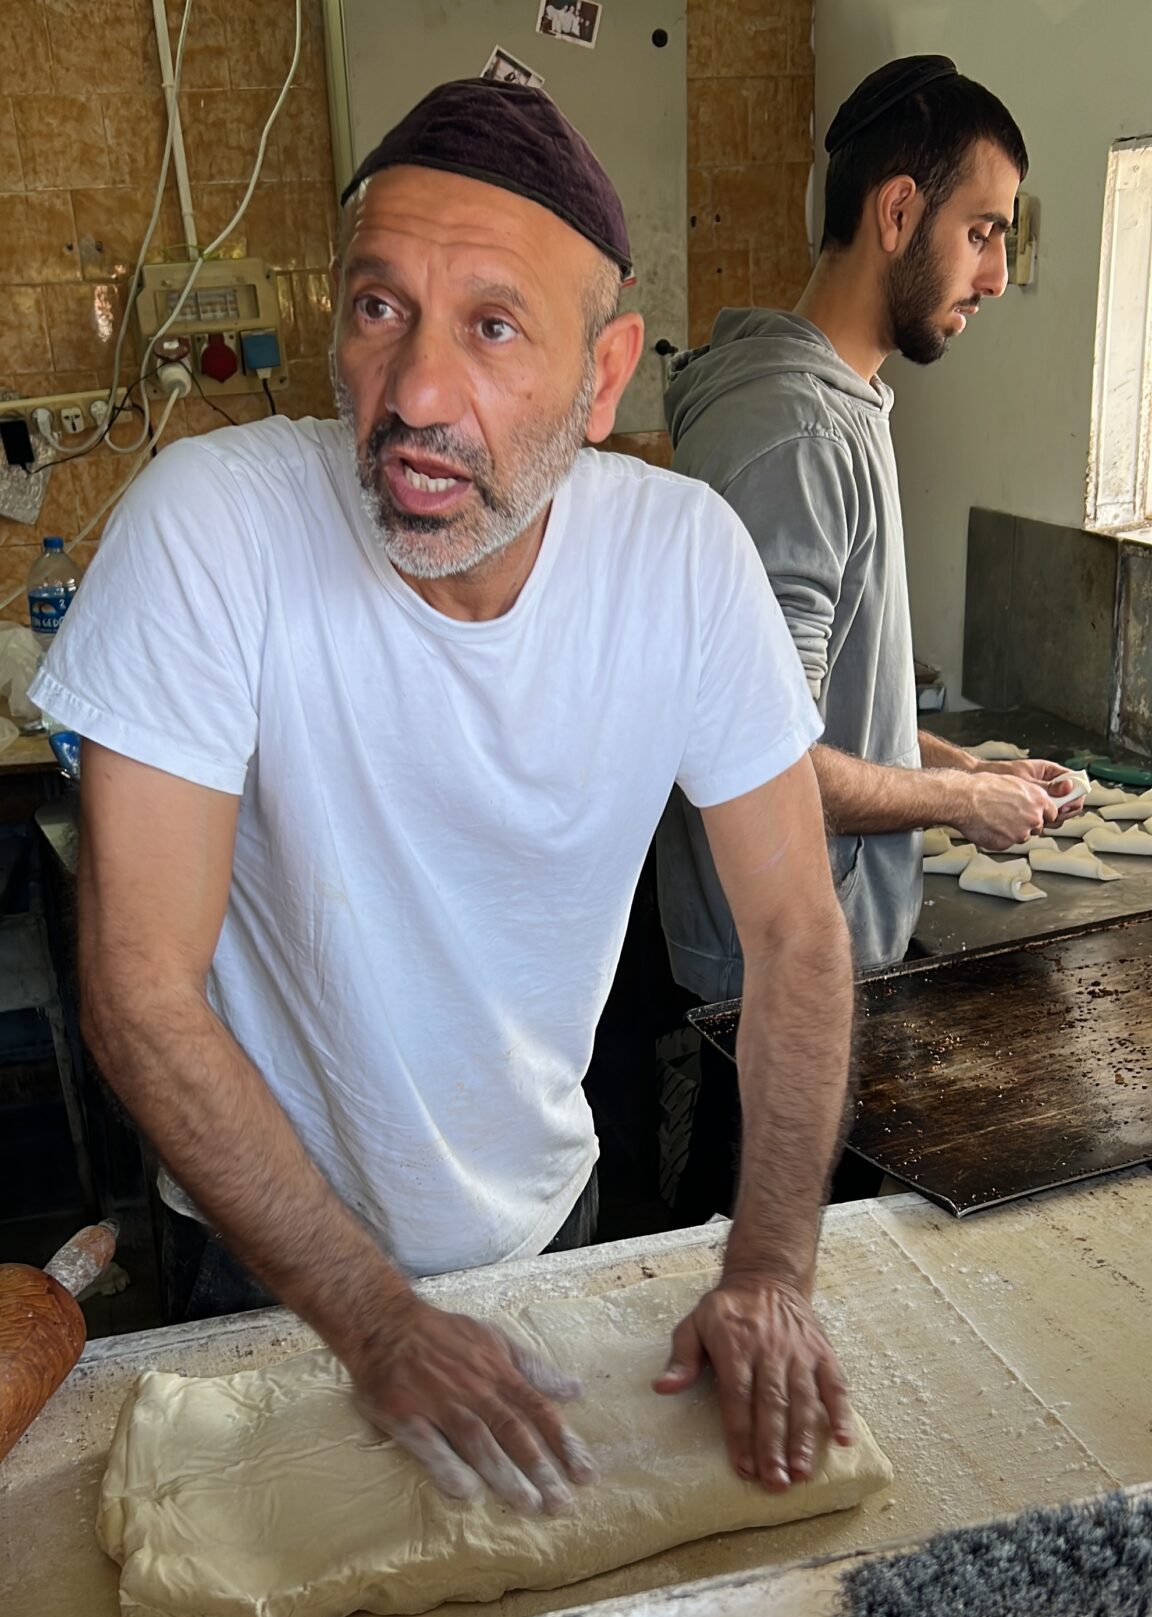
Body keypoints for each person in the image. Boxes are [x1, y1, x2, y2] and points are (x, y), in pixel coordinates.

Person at [33, 79, 855, 1515]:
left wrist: (773, 1271)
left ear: (604, 377)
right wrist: (376, 1322)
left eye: (491, 327)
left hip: (551, 1219)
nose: (416, 394)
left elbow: (794, 934)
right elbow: (137, 988)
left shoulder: (685, 568)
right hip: (267, 1260)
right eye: (377, 310)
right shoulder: (210, 531)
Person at [657, 55, 1081, 1216]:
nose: (997, 273)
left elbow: (819, 701)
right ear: (898, 211)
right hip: (765, 988)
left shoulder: (835, 401)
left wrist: (964, 763)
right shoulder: (789, 434)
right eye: (983, 230)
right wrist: (962, 808)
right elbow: (759, 767)